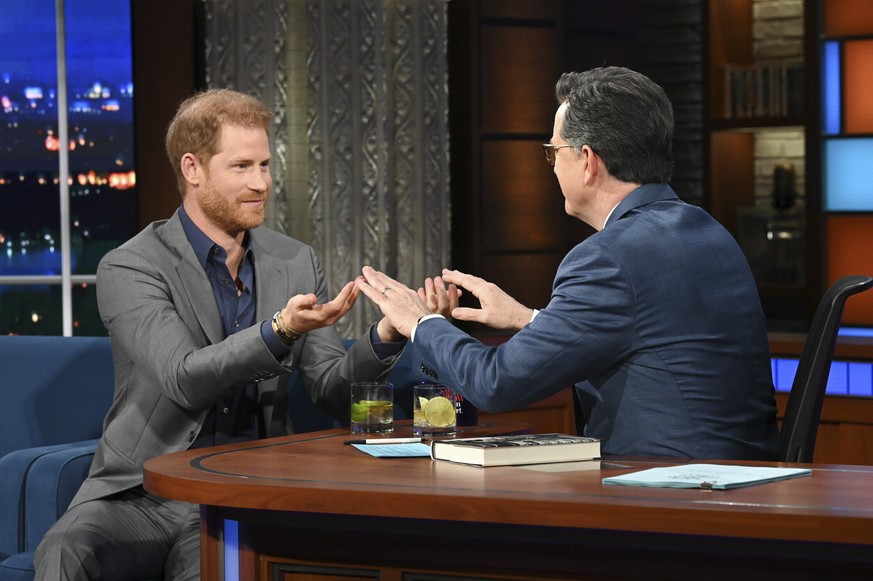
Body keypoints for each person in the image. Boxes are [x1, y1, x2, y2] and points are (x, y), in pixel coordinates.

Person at [34, 88, 410, 580]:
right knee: (66, 548)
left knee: (215, 569)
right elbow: (183, 377)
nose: (261, 184)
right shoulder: (131, 265)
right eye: (241, 167)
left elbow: (332, 390)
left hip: (241, 494)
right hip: (143, 492)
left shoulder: (295, 260)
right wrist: (279, 331)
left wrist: (385, 335)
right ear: (193, 169)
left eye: (265, 165)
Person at [356, 66, 781, 461]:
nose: (552, 166)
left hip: (668, 493)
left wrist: (419, 322)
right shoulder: (707, 231)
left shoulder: (607, 258)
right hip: (746, 480)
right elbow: (648, 335)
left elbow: (495, 384)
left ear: (589, 161)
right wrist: (532, 319)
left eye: (553, 152)